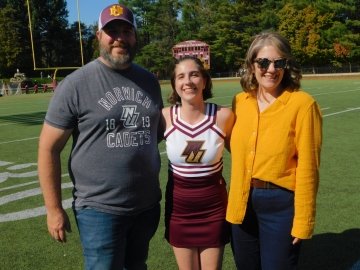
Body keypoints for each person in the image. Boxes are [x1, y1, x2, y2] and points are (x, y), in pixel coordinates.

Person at [38, 3, 163, 270]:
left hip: (146, 206)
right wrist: (53, 210)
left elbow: (156, 133)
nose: (119, 38)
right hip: (99, 211)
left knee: (137, 265)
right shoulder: (76, 84)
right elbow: (48, 149)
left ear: (135, 36)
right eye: (112, 31)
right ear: (98, 37)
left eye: (126, 31)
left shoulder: (149, 81)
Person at [226, 31, 322, 270]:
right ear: (251, 64)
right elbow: (234, 147)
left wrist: (303, 221)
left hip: (280, 205)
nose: (271, 69)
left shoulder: (302, 104)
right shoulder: (240, 101)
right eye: (263, 62)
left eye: (278, 62)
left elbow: (309, 167)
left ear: (286, 65)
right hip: (241, 201)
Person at [162, 56, 235, 269]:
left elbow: (243, 156)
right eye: (181, 76)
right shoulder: (165, 117)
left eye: (194, 74)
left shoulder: (223, 116)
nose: (188, 81)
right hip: (179, 211)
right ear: (174, 84)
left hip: (214, 208)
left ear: (204, 80)